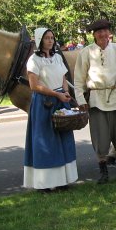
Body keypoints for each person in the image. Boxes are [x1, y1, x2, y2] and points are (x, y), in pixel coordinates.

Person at [74, 19, 116, 183]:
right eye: (99, 31)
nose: (102, 34)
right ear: (94, 35)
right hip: (97, 100)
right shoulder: (86, 52)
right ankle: (103, 173)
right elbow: (79, 80)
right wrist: (80, 98)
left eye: (105, 31)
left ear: (109, 33)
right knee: (100, 138)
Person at [23, 28, 77, 192]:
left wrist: (65, 92)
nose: (50, 41)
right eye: (46, 38)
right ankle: (44, 183)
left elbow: (63, 79)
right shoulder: (34, 60)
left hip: (60, 101)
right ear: (39, 40)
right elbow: (34, 86)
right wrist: (56, 94)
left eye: (52, 38)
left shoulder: (58, 58)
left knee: (63, 140)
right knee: (45, 142)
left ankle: (62, 180)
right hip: (44, 104)